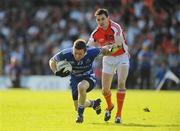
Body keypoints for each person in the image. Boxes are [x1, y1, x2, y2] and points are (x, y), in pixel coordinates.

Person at [49, 38, 111, 123]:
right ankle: (93, 103)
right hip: (74, 79)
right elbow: (52, 60)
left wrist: (111, 48)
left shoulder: (92, 51)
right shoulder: (66, 53)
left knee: (81, 87)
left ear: (85, 52)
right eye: (75, 53)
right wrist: (56, 72)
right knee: (77, 106)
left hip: (89, 77)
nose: (77, 56)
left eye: (80, 54)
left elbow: (105, 49)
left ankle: (80, 115)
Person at [87, 8, 130, 123]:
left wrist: (105, 50)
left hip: (122, 57)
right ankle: (110, 106)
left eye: (103, 19)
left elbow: (119, 46)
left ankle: (118, 115)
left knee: (121, 83)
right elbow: (87, 47)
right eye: (98, 20)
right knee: (105, 90)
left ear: (108, 18)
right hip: (108, 60)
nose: (101, 21)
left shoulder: (115, 27)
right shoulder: (96, 32)